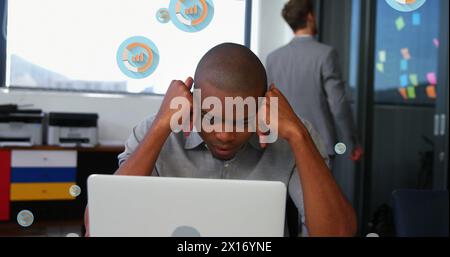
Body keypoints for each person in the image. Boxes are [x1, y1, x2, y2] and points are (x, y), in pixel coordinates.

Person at [84, 43, 356, 237]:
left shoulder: (293, 136)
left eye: (242, 119)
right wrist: (160, 127)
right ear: (191, 101)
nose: (225, 134)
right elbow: (98, 227)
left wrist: (298, 136)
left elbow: (339, 233)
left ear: (265, 104)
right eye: (210, 117)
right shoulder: (156, 130)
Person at [266, 0, 363, 167]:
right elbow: (338, 104)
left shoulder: (273, 58)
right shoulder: (326, 54)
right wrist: (352, 140)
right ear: (310, 16)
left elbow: (268, 103)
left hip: (280, 145)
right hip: (317, 146)